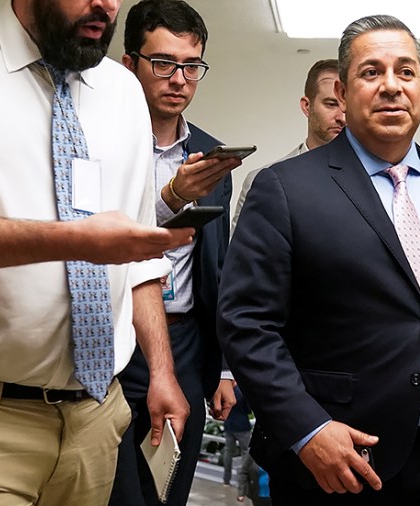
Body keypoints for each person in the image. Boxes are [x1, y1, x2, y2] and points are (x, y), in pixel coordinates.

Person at [217, 14, 420, 505]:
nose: (391, 86)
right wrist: (308, 430)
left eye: (405, 72)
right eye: (371, 72)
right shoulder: (285, 189)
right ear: (344, 93)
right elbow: (246, 322)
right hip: (338, 459)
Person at [0, 0, 194, 503]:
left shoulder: (122, 93)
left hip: (97, 423)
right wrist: (73, 239)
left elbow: (137, 252)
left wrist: (162, 373)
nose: (106, 5)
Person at [110, 1, 240, 505]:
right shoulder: (102, 144)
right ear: (129, 65)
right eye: (163, 63)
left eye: (192, 66)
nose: (179, 79)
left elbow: (219, 266)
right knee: (116, 488)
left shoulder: (210, 157)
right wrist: (170, 200)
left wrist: (224, 368)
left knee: (170, 488)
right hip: (115, 337)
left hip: (185, 340)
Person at [231, 58, 345, 231]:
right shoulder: (262, 180)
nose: (342, 117)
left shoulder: (376, 178)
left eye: (348, 106)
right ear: (307, 106)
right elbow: (241, 255)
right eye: (331, 104)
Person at [224, 384, 253, 487]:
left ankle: (226, 480)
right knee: (246, 452)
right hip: (242, 426)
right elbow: (249, 410)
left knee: (228, 452)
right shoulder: (242, 391)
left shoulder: (225, 390)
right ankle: (243, 481)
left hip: (229, 425)